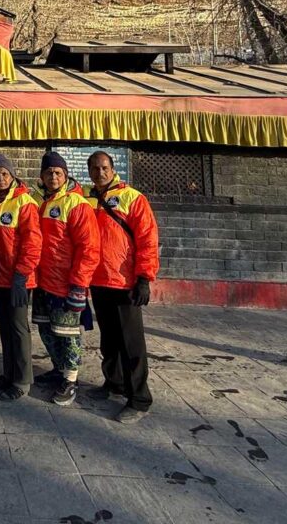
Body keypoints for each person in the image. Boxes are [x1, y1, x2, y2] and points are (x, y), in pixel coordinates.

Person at [86, 150, 160, 423]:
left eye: (104, 167)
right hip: (98, 278)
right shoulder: (87, 198)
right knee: (109, 339)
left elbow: (148, 240)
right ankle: (114, 382)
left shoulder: (133, 198)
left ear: (113, 168)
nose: (100, 172)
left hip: (125, 281)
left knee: (131, 343)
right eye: (94, 168)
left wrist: (144, 278)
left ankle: (139, 398)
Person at [33, 151, 100, 406]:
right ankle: (58, 368)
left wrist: (79, 284)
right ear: (42, 175)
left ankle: (70, 380)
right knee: (45, 329)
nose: (53, 176)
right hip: (42, 281)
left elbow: (89, 247)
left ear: (65, 175)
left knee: (68, 334)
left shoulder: (76, 204)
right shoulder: (40, 202)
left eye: (57, 172)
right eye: (48, 172)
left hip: (66, 283)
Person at [0, 153, 42, 401]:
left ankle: (22, 379)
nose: (0, 178)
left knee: (19, 329)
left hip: (18, 278)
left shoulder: (24, 203)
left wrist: (21, 274)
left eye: (4, 173)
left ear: (13, 175)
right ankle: (8, 373)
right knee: (4, 328)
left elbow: (33, 242)